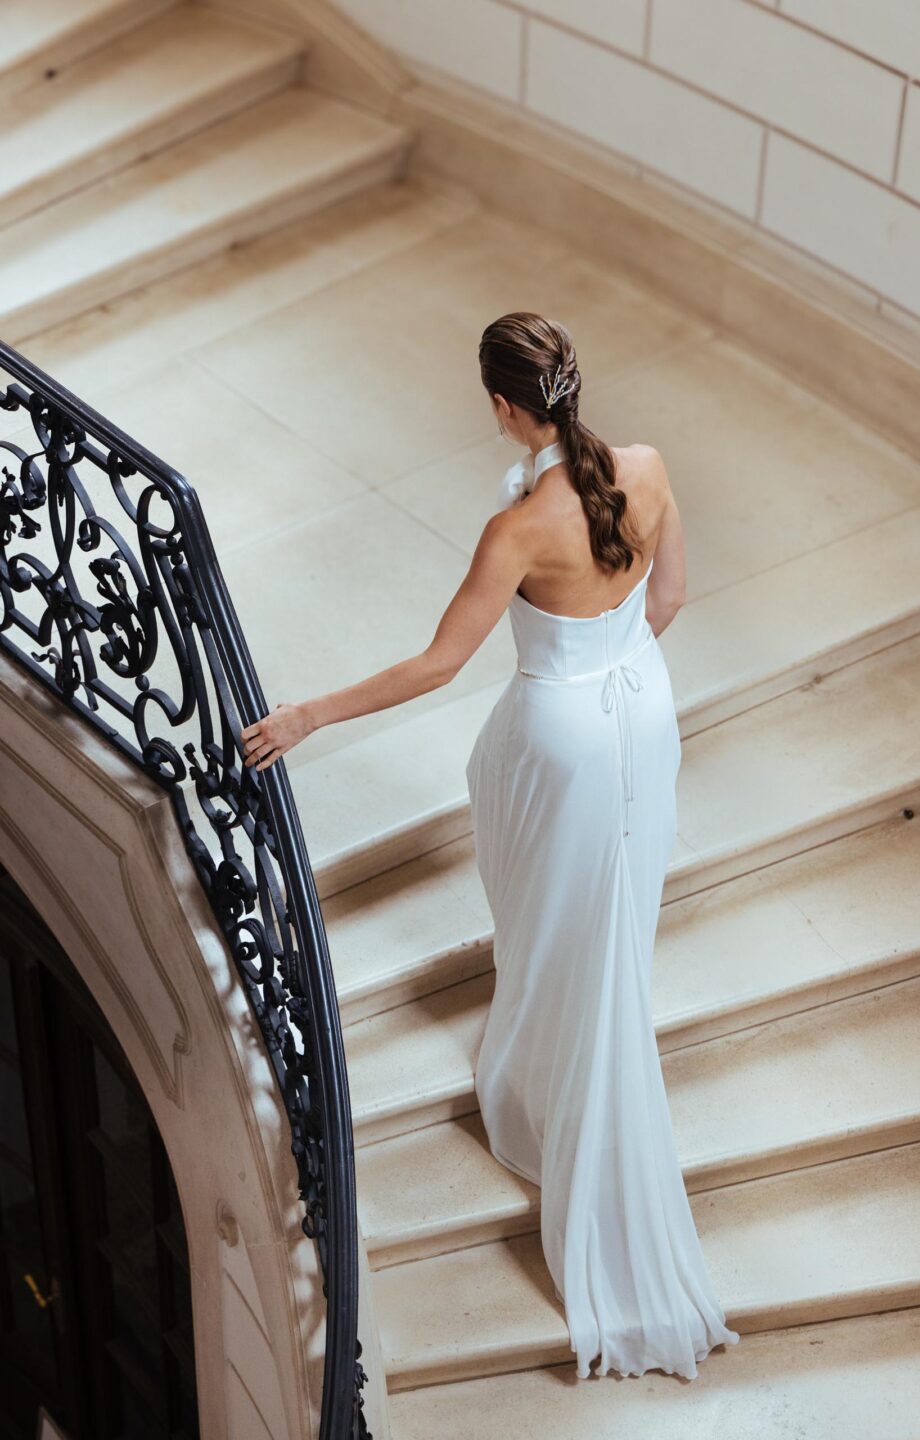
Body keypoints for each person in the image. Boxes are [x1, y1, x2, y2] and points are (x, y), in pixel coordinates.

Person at [239, 310, 738, 1381]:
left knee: (552, 920)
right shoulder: (646, 467)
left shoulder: (515, 532)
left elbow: (436, 664)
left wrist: (309, 715)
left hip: (556, 739)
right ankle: (573, 1065)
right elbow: (675, 594)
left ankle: (554, 1092)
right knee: (610, 927)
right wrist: (608, 666)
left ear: (508, 410)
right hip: (642, 716)